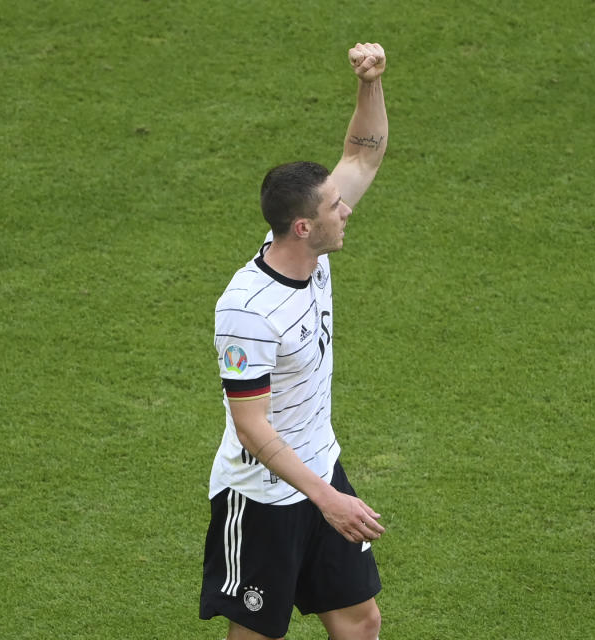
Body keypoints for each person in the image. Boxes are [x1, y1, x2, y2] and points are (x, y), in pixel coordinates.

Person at [199, 42, 389, 640]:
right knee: (257, 635)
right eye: (336, 208)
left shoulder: (311, 252)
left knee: (361, 621)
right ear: (304, 226)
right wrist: (327, 500)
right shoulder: (247, 312)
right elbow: (252, 427)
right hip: (261, 498)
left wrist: (370, 82)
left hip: (318, 467)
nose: (347, 211)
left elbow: (363, 156)